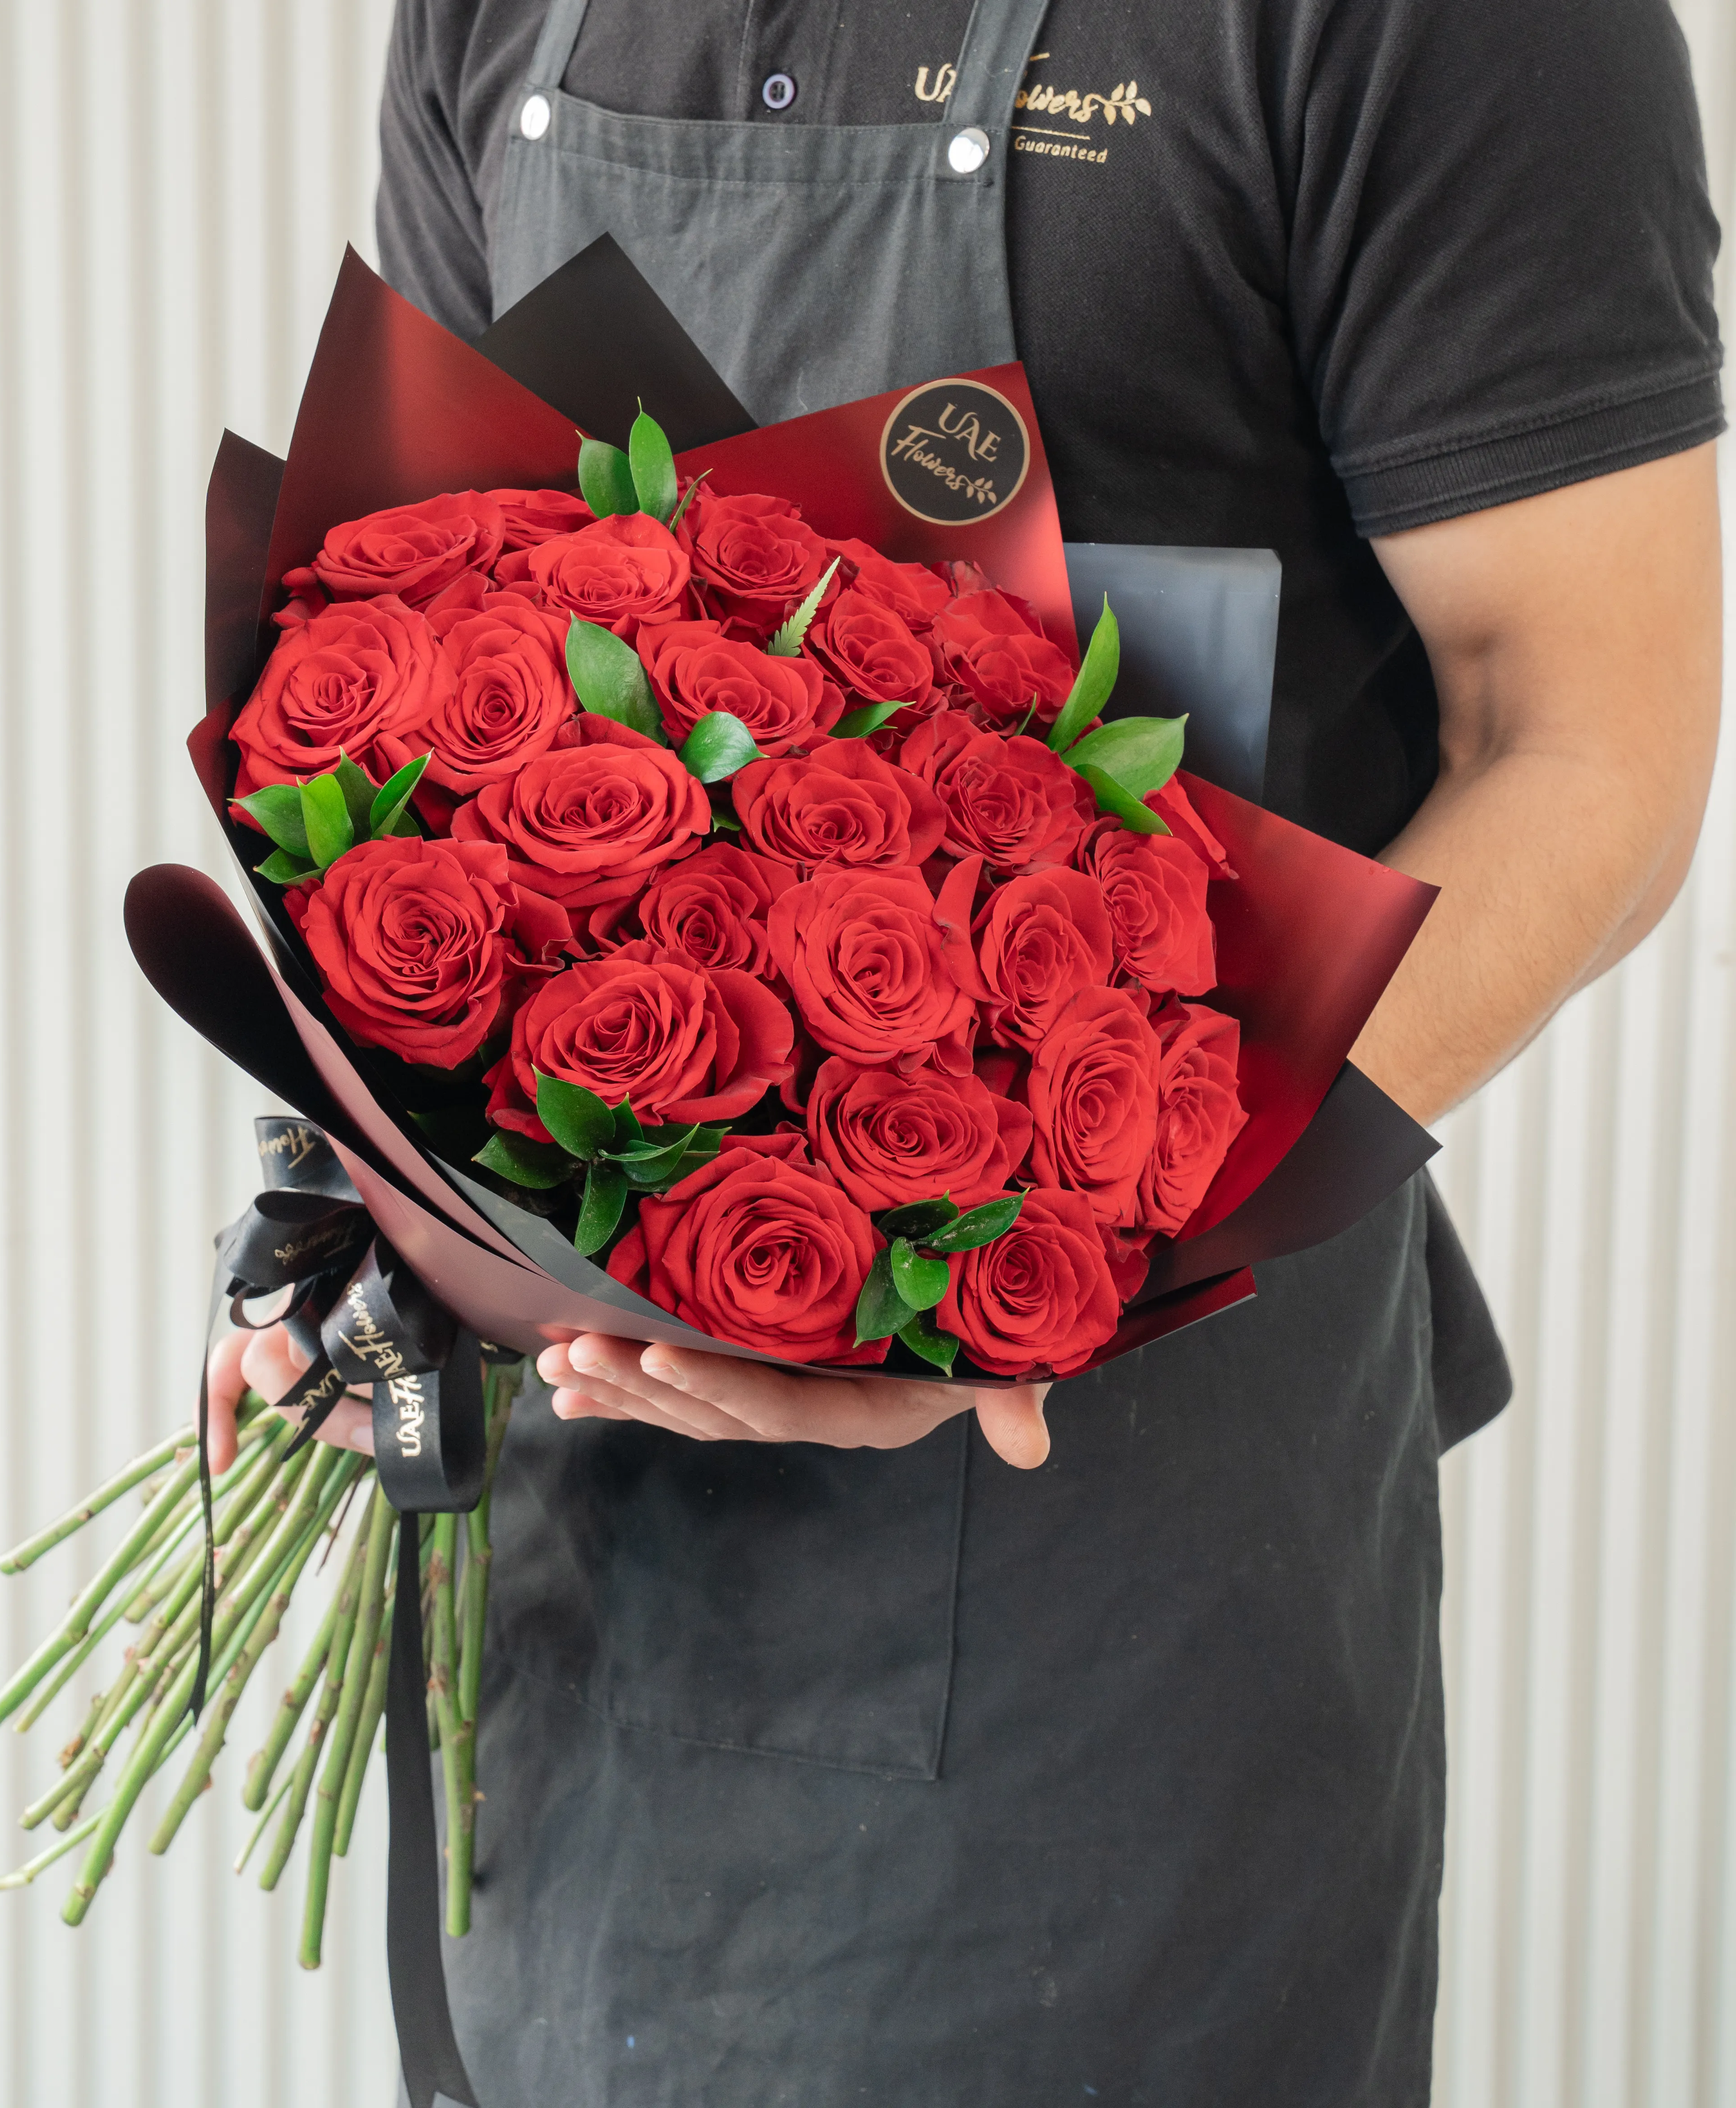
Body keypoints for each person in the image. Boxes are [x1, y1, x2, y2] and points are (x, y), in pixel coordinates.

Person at [215, 0, 1723, 2098]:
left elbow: (1584, 745)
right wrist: (338, 1193)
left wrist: (1050, 1270)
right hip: (581, 1532)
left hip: (1126, 1573)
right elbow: (449, 589)